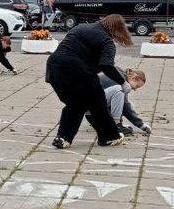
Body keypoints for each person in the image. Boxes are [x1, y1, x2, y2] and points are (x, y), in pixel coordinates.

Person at [47, 14, 133, 149]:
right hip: (79, 72)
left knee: (76, 104)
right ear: (117, 29)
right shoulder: (107, 41)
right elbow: (106, 65)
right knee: (98, 103)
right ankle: (109, 137)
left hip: (54, 68)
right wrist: (122, 82)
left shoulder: (81, 27)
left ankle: (63, 138)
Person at [91, 67, 151, 136]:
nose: (135, 89)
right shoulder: (120, 80)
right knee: (119, 90)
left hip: (92, 103)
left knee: (124, 100)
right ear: (133, 78)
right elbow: (125, 107)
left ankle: (107, 123)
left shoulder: (121, 75)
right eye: (137, 86)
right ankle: (116, 126)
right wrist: (141, 125)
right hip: (89, 104)